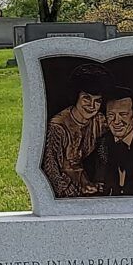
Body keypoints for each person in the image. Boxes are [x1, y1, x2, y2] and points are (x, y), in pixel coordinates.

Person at [40, 62, 111, 197]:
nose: (92, 106)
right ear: (76, 96)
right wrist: (71, 191)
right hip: (65, 189)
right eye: (86, 98)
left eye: (98, 101)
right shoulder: (58, 127)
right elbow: (51, 168)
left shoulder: (100, 121)